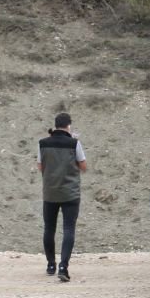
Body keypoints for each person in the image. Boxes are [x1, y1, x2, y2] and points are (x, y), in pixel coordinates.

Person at [37, 112, 87, 282]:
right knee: (68, 229)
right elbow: (83, 166)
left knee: (49, 229)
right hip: (70, 193)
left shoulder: (42, 143)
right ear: (68, 126)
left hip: (50, 192)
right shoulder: (74, 143)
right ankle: (63, 267)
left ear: (55, 125)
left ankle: (51, 264)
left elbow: (40, 166)